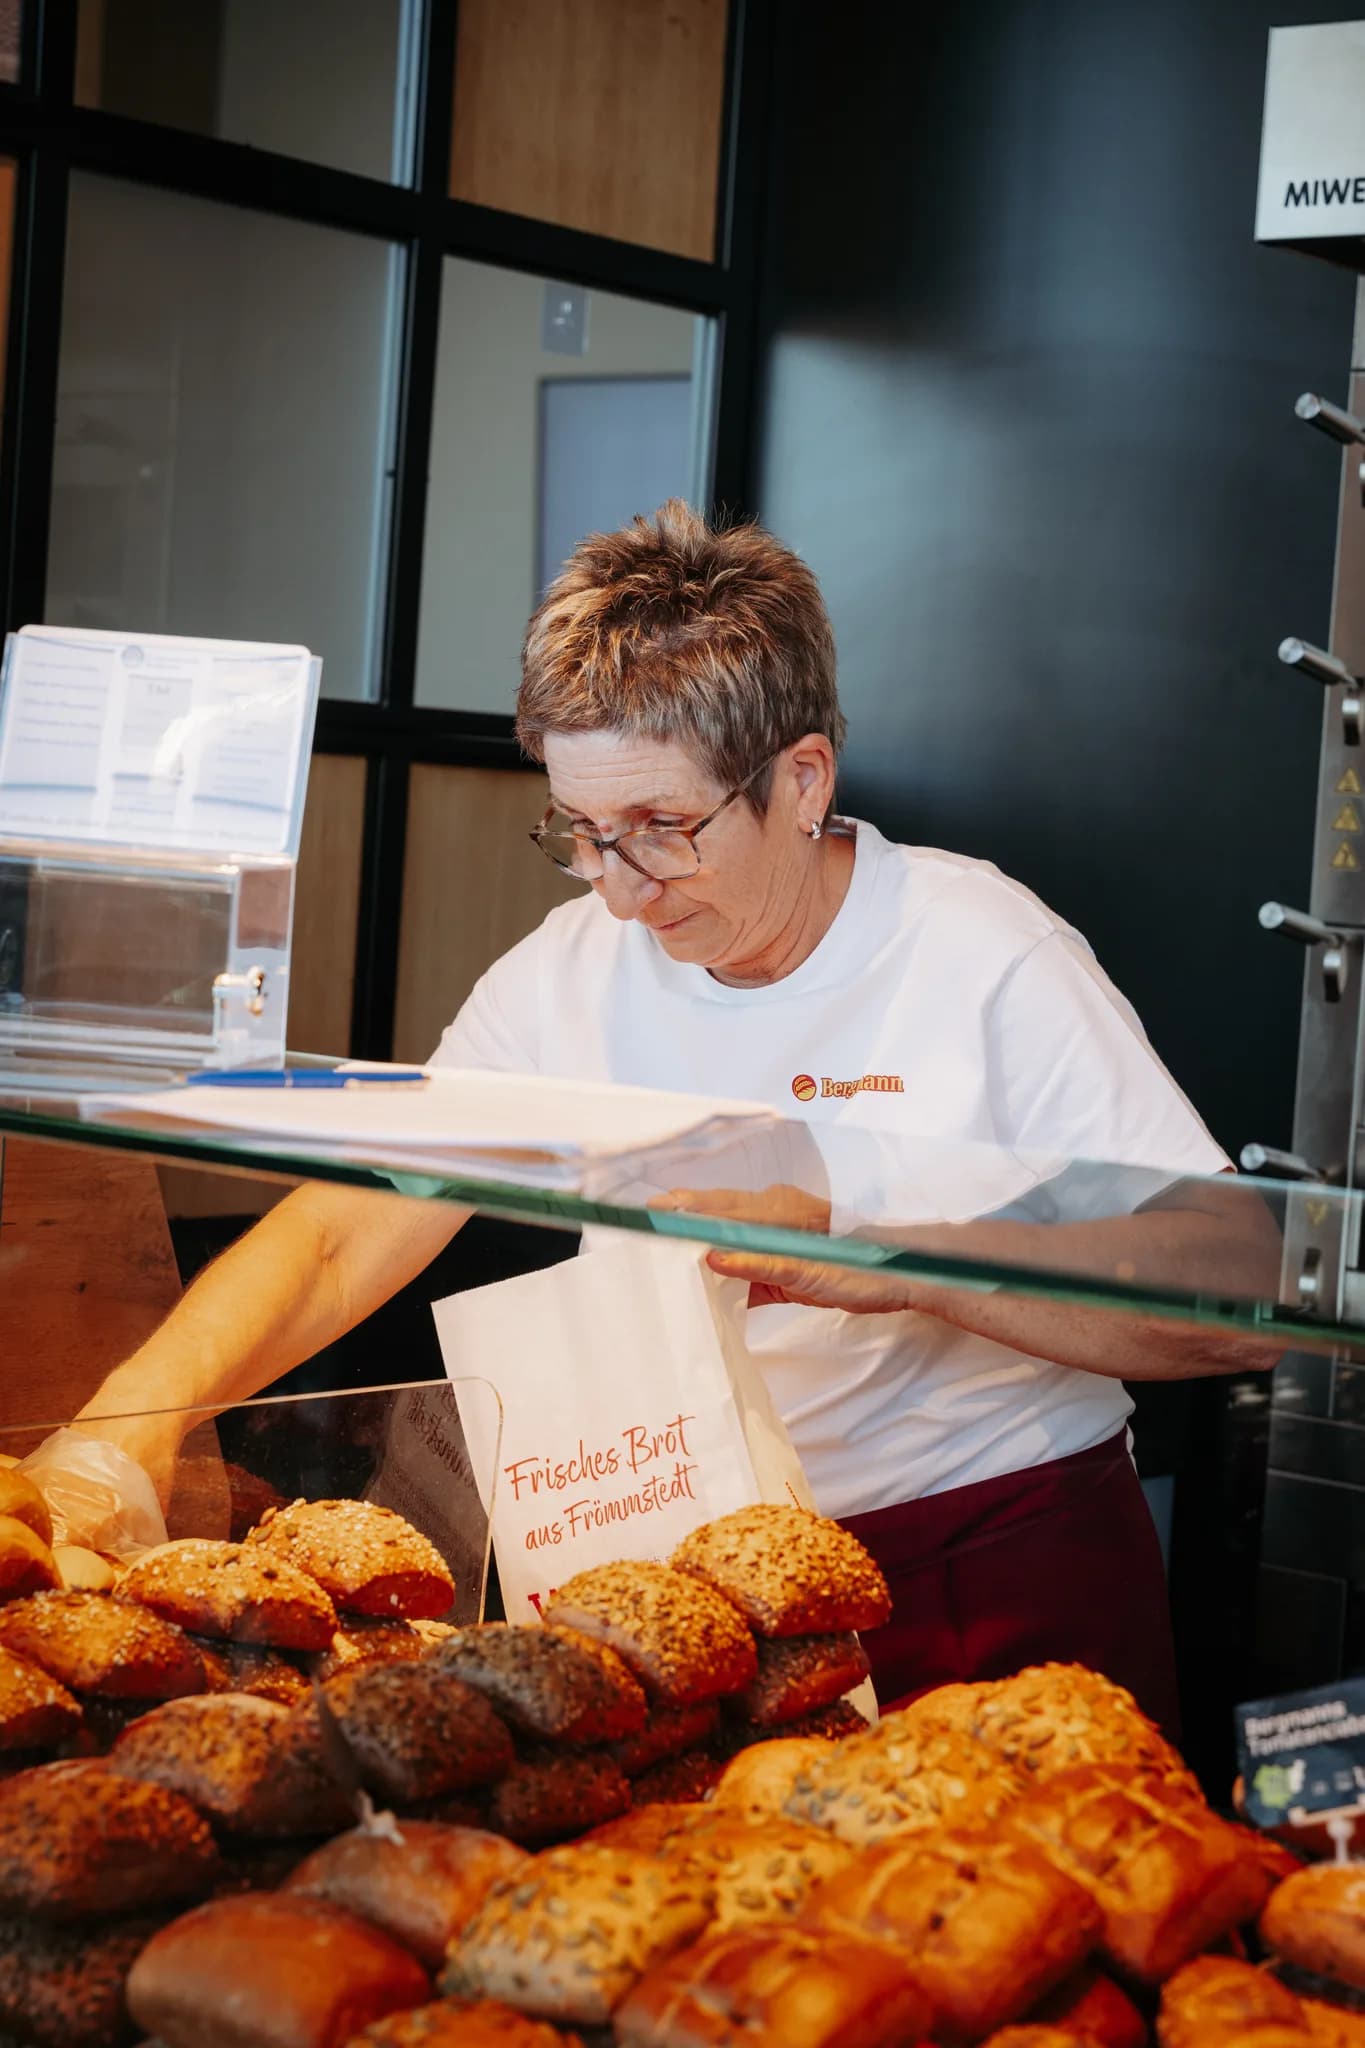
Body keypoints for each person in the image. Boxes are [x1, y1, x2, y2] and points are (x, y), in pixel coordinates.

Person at [60, 500, 1280, 1731]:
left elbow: (1240, 1282)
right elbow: (347, 1226)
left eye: (662, 830)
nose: (622, 893)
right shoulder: (565, 971)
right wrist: (128, 1421)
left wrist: (895, 1258)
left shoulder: (980, 949)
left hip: (982, 1562)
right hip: (698, 1577)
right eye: (584, 834)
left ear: (801, 780)